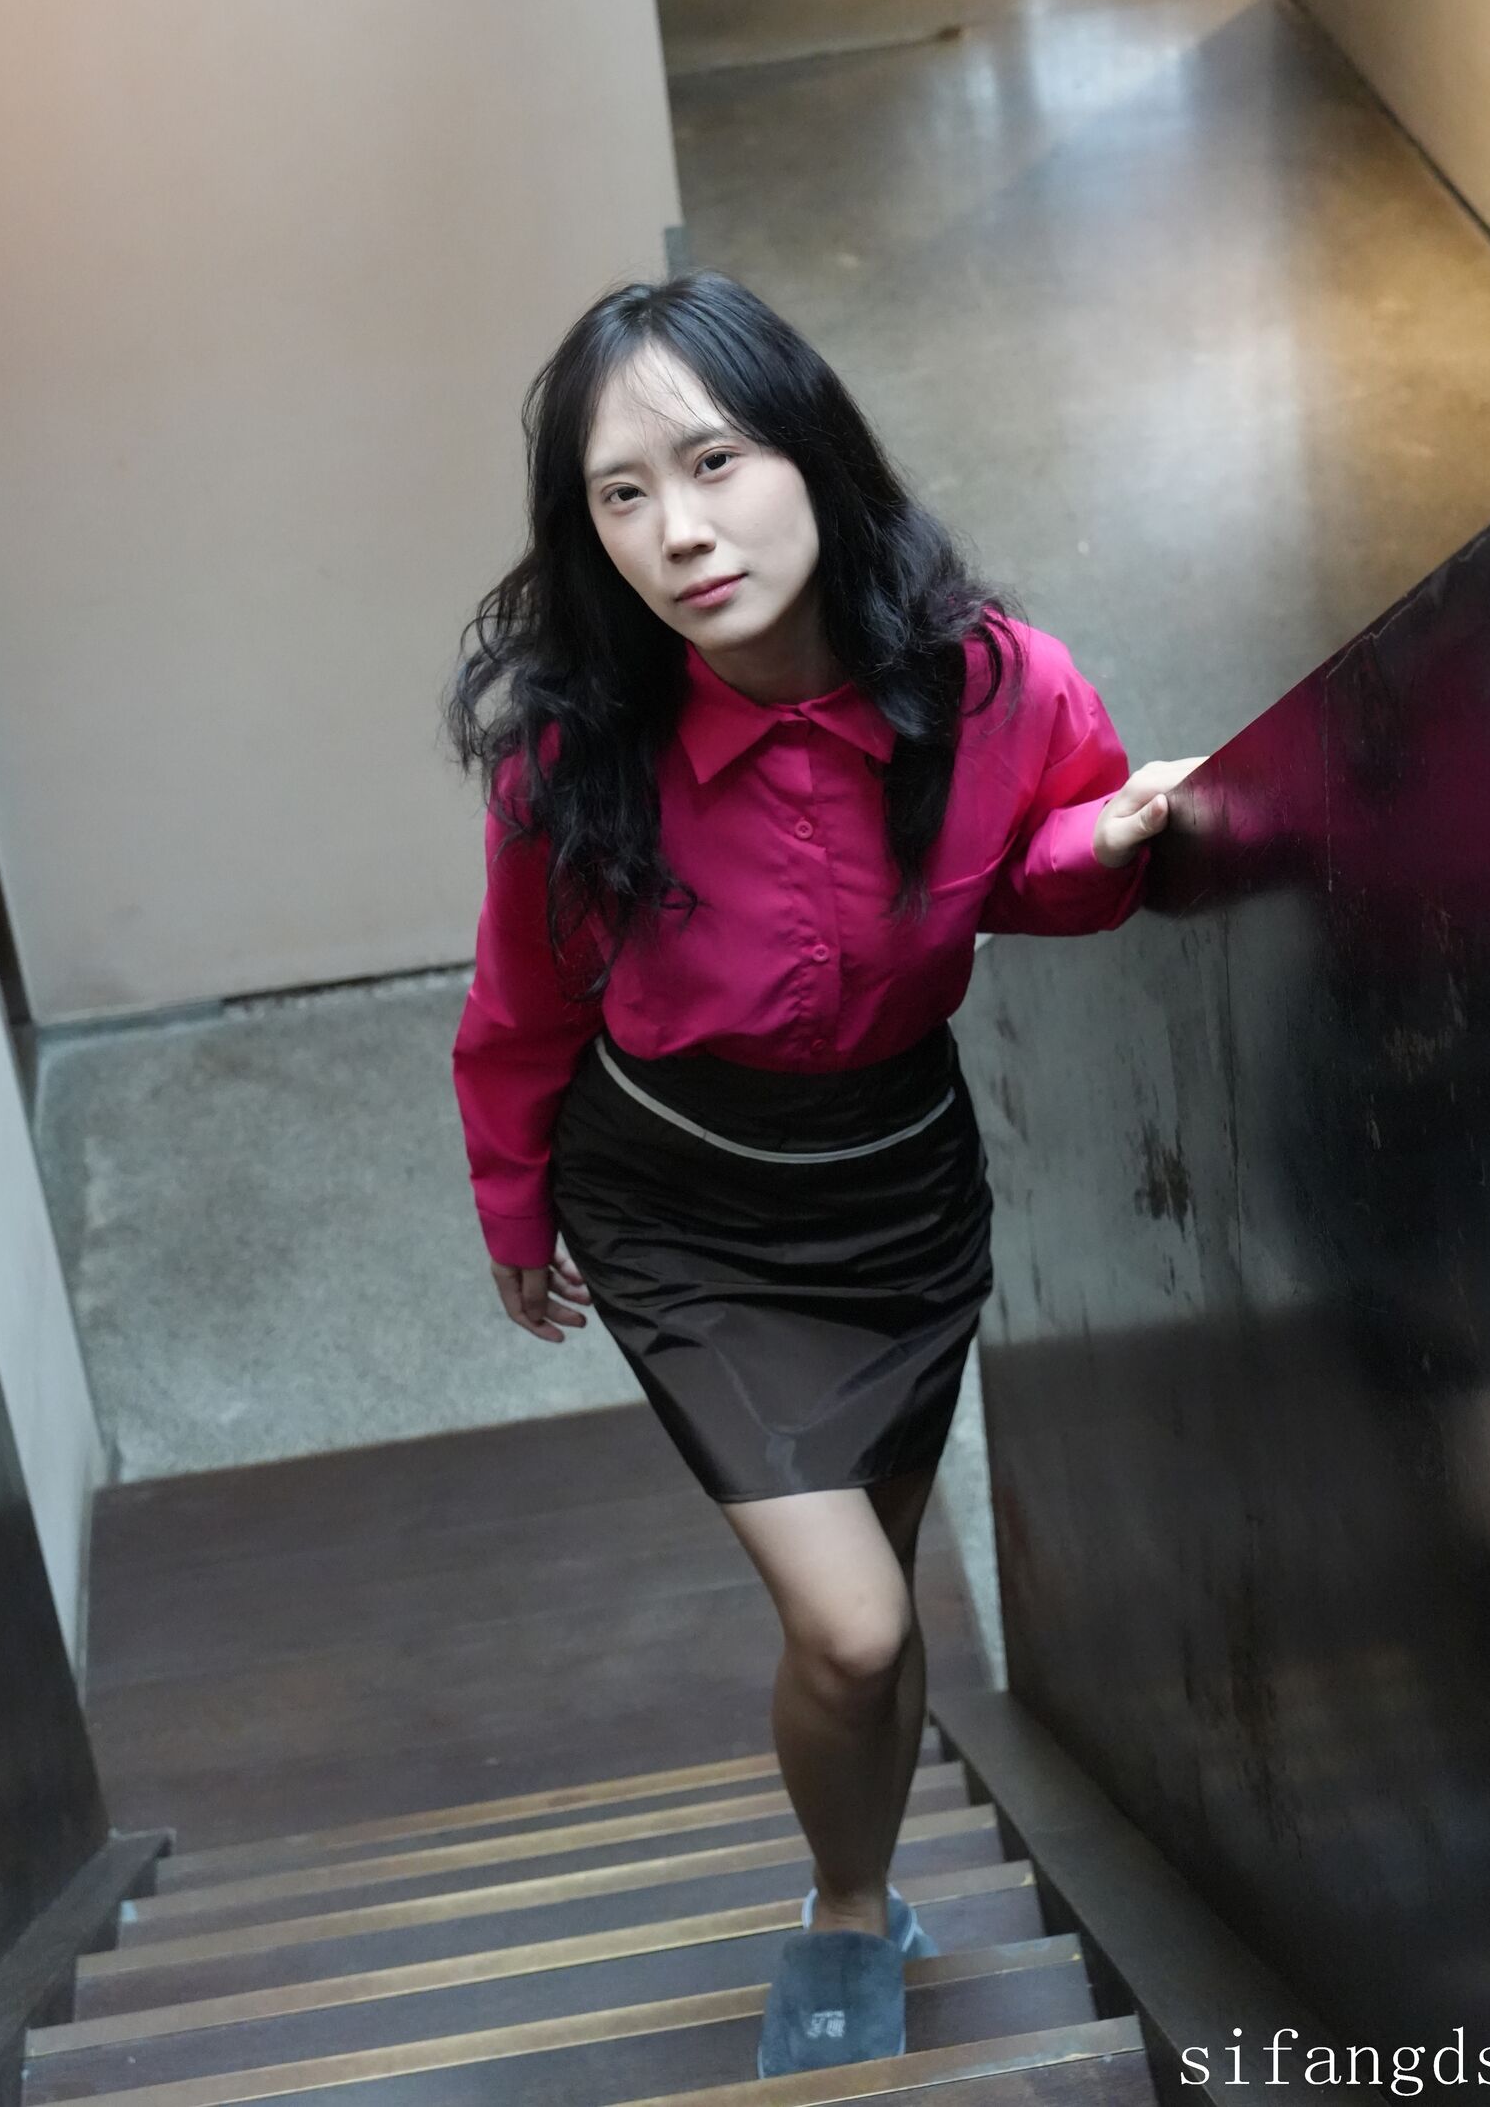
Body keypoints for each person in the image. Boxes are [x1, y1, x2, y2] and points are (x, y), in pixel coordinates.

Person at [446, 270, 1198, 2078]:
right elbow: (521, 1004)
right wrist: (514, 1204)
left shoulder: (998, 683)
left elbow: (1029, 868)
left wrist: (1106, 841)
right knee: (853, 1623)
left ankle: (860, 1889)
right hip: (681, 1203)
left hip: (896, 1187)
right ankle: (847, 1911)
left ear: (812, 452)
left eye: (714, 461)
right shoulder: (575, 755)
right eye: (623, 494)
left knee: (874, 1599)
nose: (679, 531)